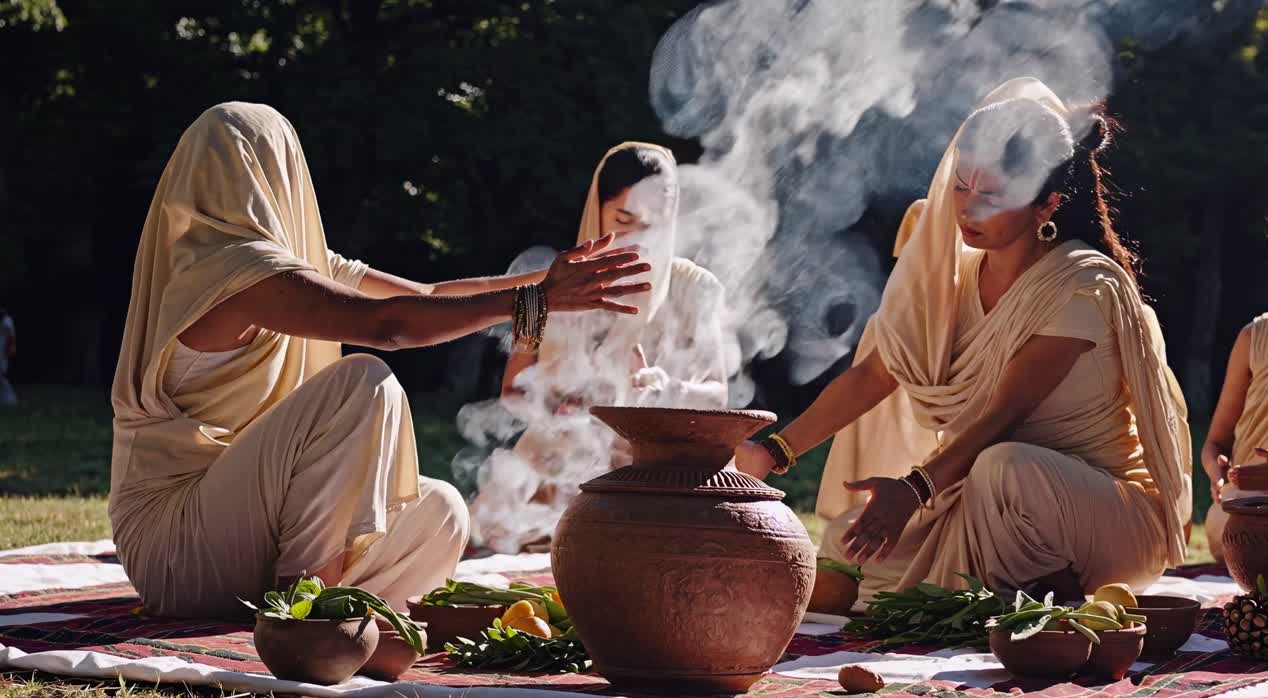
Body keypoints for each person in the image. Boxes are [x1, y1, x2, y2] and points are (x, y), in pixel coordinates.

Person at [110, 102, 650, 617]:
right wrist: (535, 302)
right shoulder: (225, 270)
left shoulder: (298, 265)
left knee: (441, 511)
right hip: (177, 546)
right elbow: (387, 326)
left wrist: (549, 283)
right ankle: (306, 615)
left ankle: (315, 605)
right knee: (362, 382)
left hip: (246, 530)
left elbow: (428, 294)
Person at [736, 78, 1192, 602]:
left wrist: (913, 490)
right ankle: (1020, 586)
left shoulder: (1082, 283)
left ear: (1045, 205)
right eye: (961, 186)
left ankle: (1045, 587)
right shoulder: (951, 284)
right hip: (976, 494)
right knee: (843, 550)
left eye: (993, 194)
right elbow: (877, 373)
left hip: (1103, 517)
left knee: (1005, 467)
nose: (968, 209)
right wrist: (773, 451)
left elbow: (1005, 414)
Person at [468, 143, 729, 553]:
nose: (637, 238)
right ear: (597, 210)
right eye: (623, 220)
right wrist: (558, 401)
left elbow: (718, 395)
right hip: (554, 468)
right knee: (488, 546)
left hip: (651, 476)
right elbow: (513, 389)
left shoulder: (694, 288)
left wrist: (661, 389)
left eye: (653, 224)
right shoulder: (547, 289)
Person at [1202, 198, 1268, 562]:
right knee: (1228, 520)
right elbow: (1216, 441)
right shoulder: (1255, 336)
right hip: (1245, 510)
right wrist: (1217, 472)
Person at [0, 306, 15, 407]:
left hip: (2, 352)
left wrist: (10, 349)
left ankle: (10, 400)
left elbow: (10, 336)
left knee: (1, 375)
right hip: (2, 350)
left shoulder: (6, 321)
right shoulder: (5, 321)